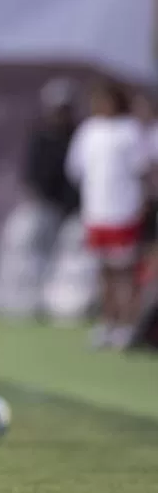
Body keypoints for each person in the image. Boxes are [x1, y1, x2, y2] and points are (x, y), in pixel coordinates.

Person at [65, 80, 148, 350]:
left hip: (123, 212)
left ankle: (127, 324)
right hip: (96, 213)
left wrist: (141, 206)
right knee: (103, 272)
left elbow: (142, 171)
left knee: (124, 271)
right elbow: (75, 170)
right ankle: (107, 321)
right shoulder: (88, 131)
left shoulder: (129, 131)